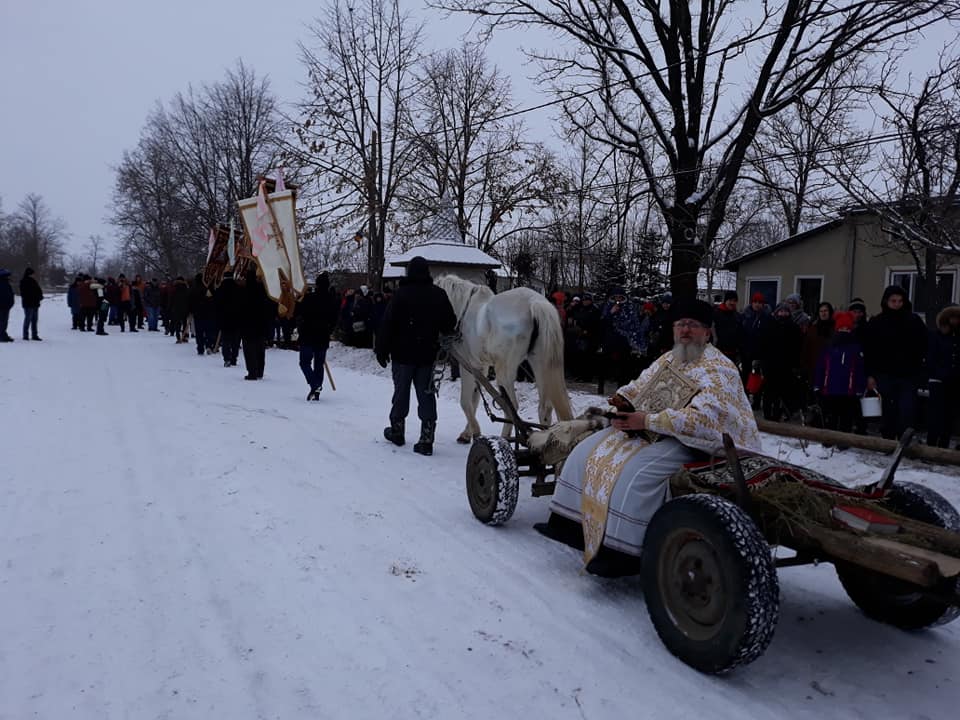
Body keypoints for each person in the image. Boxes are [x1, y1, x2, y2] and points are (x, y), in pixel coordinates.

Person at [535, 298, 761, 576]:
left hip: (701, 444)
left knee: (635, 475)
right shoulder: (671, 357)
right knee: (588, 450)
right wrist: (624, 399)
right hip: (655, 430)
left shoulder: (719, 369)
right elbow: (641, 384)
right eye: (680, 325)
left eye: (692, 325)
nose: (685, 331)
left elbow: (704, 421)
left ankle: (623, 553)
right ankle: (569, 525)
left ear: (707, 332)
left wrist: (648, 420)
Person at [375, 256, 456, 456]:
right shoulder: (438, 294)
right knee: (426, 395)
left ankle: (397, 431)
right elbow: (449, 323)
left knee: (401, 393)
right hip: (427, 354)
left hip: (402, 355)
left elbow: (388, 324)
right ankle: (426, 438)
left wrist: (382, 350)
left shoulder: (400, 295)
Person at [863, 285, 927, 440]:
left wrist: (919, 369)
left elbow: (923, 346)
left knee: (907, 410)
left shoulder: (914, 321)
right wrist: (870, 375)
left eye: (900, 301)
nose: (897, 304)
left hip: (908, 375)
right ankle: (889, 441)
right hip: (885, 374)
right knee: (888, 410)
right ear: (886, 301)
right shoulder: (877, 322)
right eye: (893, 301)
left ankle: (905, 441)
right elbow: (869, 351)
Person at [812, 311, 865, 442]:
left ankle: (844, 440)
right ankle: (829, 439)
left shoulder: (855, 348)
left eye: (847, 329)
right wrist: (817, 384)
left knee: (846, 417)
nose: (844, 331)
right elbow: (820, 367)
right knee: (831, 416)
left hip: (848, 390)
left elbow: (860, 369)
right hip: (829, 388)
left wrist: (859, 387)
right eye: (841, 328)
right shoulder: (829, 348)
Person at [296, 272, 338, 400]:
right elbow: (335, 319)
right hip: (322, 336)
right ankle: (317, 389)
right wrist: (329, 330)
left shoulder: (309, 298)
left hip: (308, 335)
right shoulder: (333, 300)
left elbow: (300, 313)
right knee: (319, 364)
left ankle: (315, 385)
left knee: (304, 362)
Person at [925, 304, 960, 448]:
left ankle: (943, 444)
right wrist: (939, 373)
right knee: (936, 414)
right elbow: (931, 357)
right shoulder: (937, 335)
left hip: (955, 381)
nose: (955, 320)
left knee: (949, 415)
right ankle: (931, 443)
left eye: (957, 318)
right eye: (952, 317)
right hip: (938, 380)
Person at [19, 267, 43, 341]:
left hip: (35, 303)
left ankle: (34, 335)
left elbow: (39, 291)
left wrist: (40, 297)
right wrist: (36, 297)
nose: (34, 275)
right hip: (28, 304)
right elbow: (24, 294)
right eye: (33, 274)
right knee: (28, 319)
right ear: (30, 274)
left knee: (34, 320)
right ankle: (25, 335)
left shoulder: (34, 281)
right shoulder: (23, 282)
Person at [0, 269, 14, 341]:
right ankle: (2, 336)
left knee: (4, 322)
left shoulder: (6, 283)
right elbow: (5, 295)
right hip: (3, 306)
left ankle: (3, 334)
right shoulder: (4, 283)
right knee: (2, 321)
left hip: (6, 305)